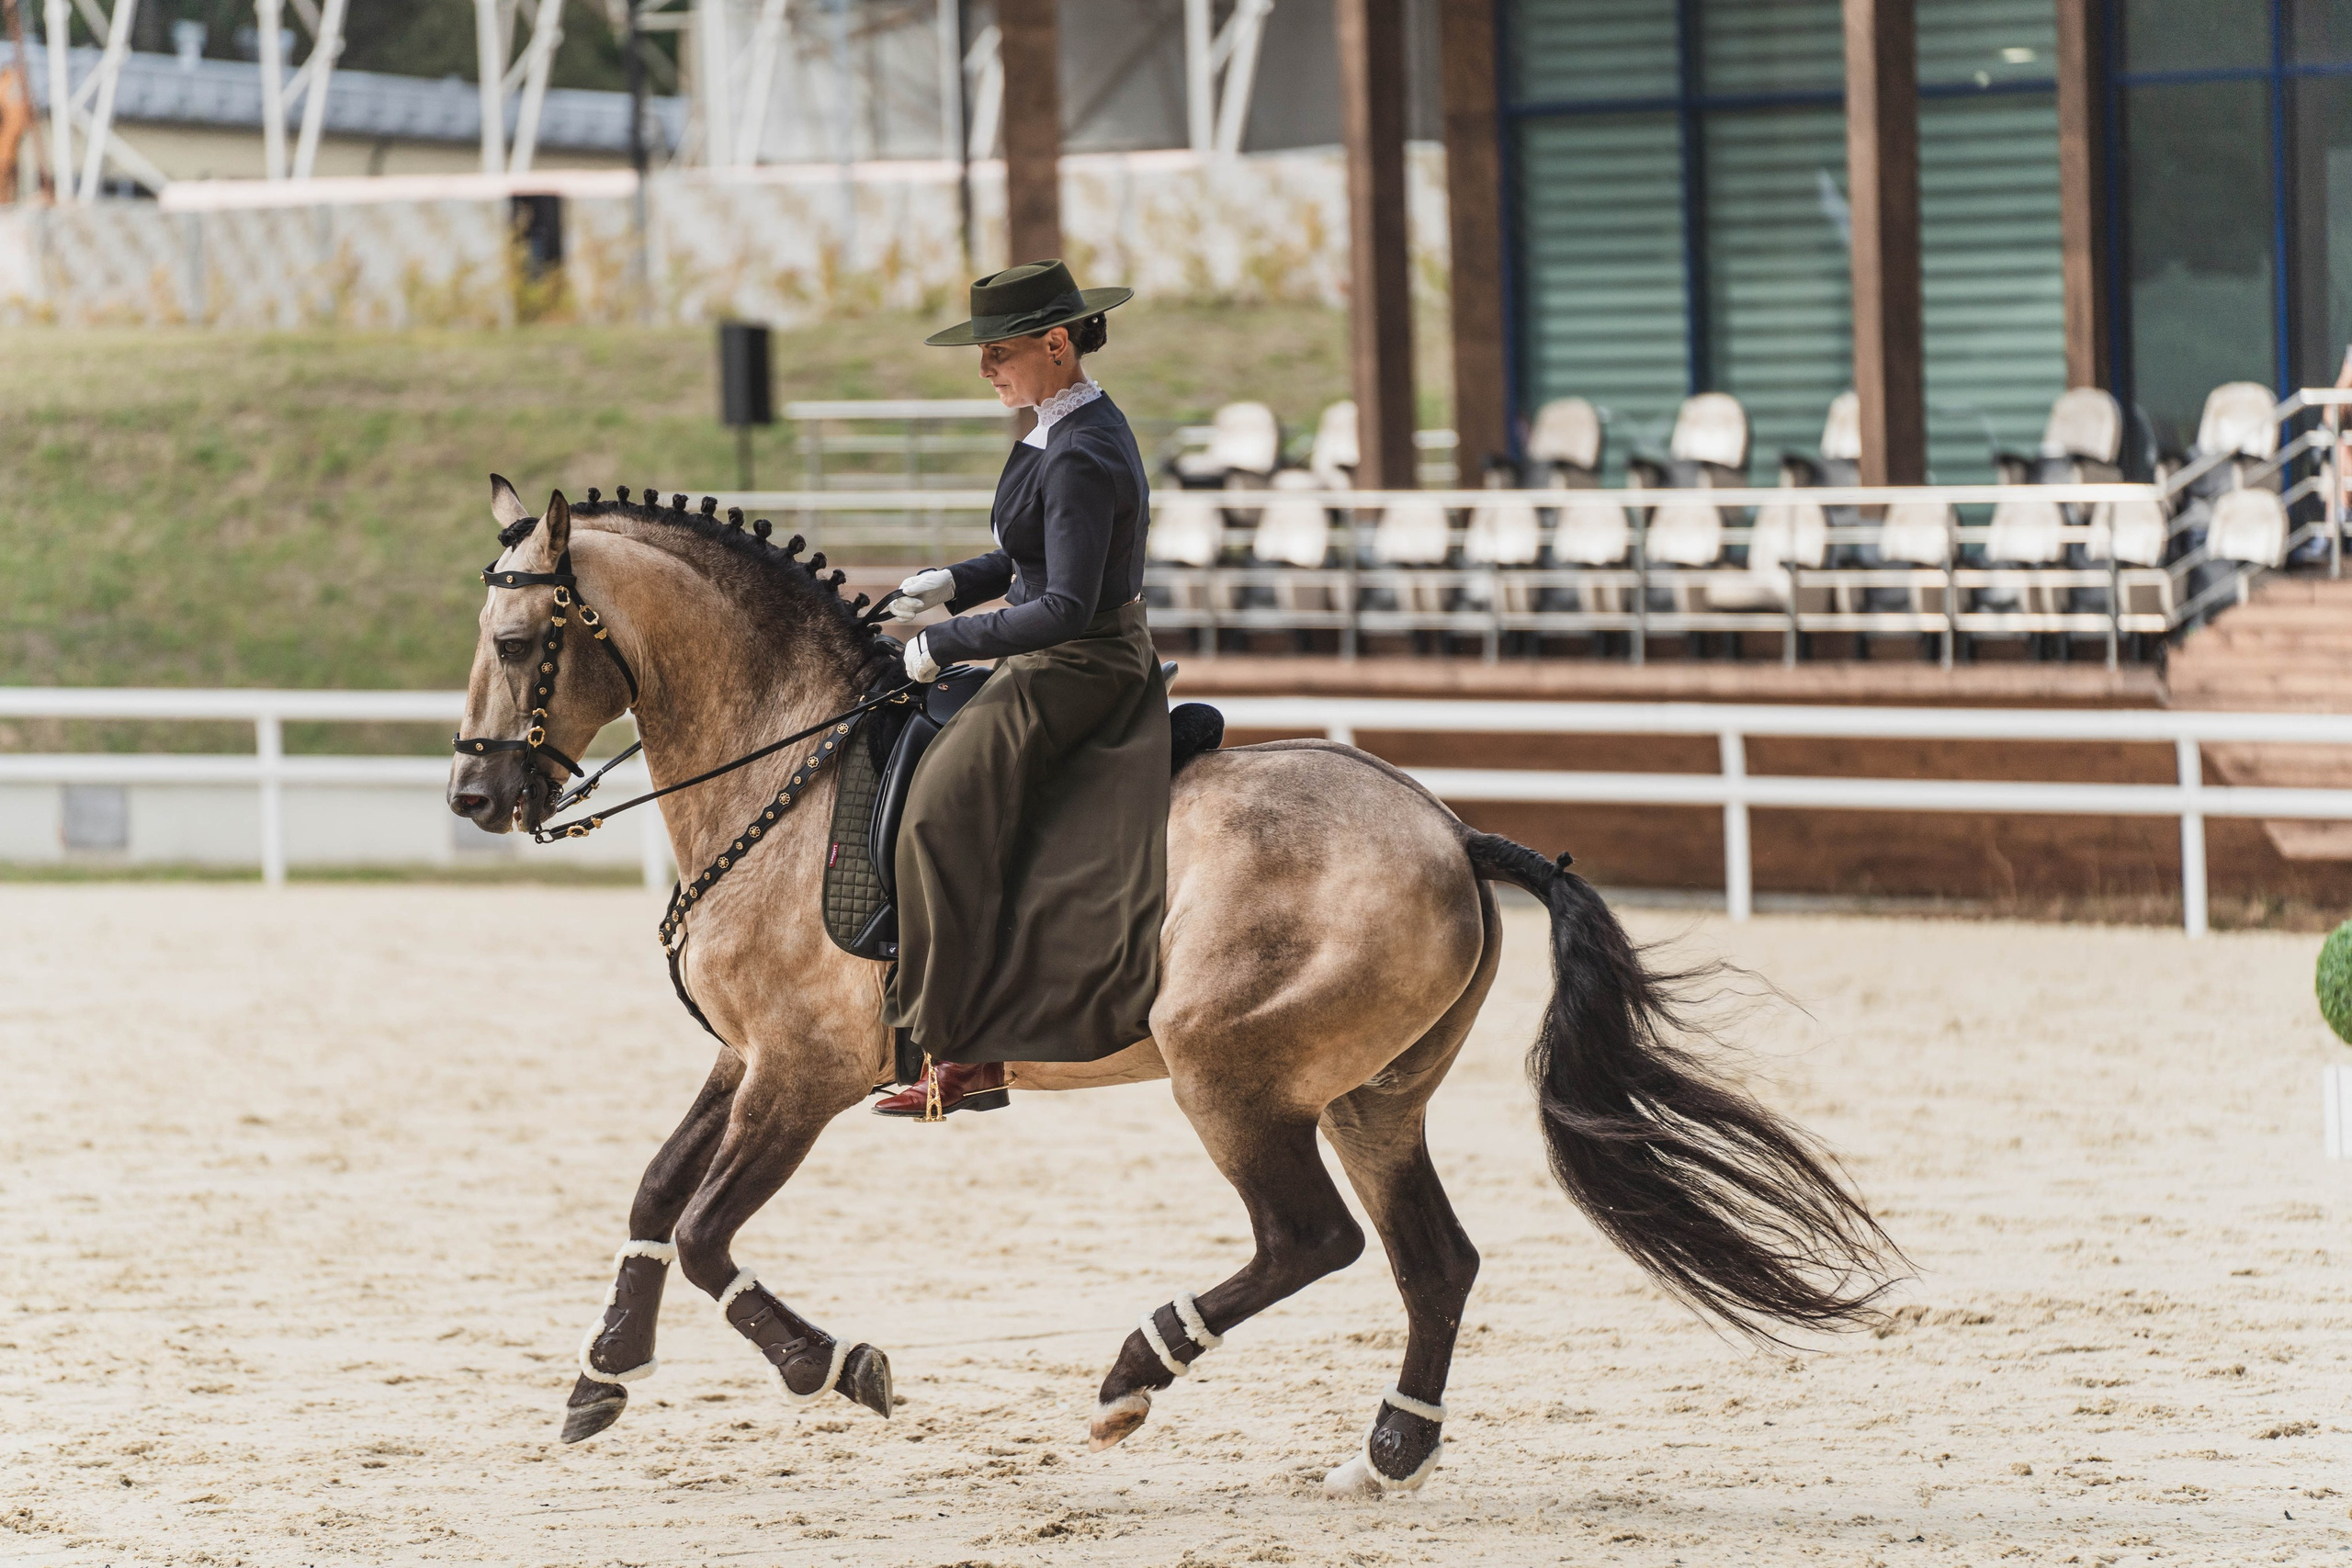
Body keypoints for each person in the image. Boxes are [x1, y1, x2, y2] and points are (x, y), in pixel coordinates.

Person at [873, 260, 1170, 1119]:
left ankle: (964, 1050)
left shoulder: (1079, 448)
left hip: (1080, 659)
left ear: (1055, 343)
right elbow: (1027, 556)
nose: (985, 369)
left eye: (998, 350)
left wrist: (944, 639)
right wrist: (951, 583)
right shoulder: (1056, 425)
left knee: (939, 813)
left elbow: (1065, 606)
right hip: (1058, 643)